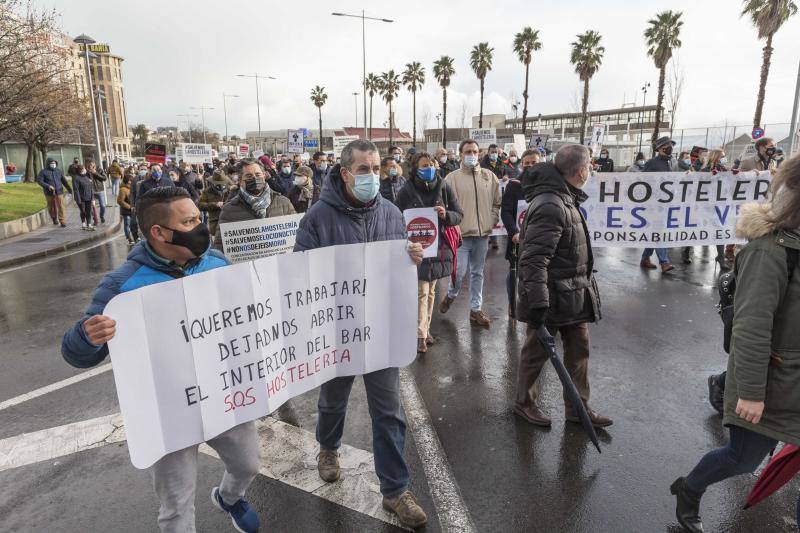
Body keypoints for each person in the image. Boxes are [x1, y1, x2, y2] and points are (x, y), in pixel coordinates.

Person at [61, 187, 261, 533]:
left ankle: (229, 497)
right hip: (166, 411)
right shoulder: (120, 286)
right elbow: (75, 354)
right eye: (189, 221)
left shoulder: (218, 263)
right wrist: (86, 336)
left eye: (199, 218)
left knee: (248, 464)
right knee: (177, 507)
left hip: (222, 395)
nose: (200, 226)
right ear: (159, 232)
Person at [294, 139, 427, 529]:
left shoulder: (390, 212)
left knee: (389, 411)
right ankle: (328, 448)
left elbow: (399, 263)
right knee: (333, 400)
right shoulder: (318, 217)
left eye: (377, 168)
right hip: (337, 331)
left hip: (380, 329)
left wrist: (411, 256)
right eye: (364, 169)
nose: (372, 175)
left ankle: (395, 490)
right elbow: (301, 271)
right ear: (345, 172)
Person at [671, 153, 800, 533]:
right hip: (775, 382)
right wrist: (749, 392)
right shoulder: (772, 250)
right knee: (741, 460)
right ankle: (690, 489)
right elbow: (752, 326)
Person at [514, 143, 611, 429]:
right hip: (552, 297)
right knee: (536, 353)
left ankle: (578, 406)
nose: (591, 169)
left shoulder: (565, 198)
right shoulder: (551, 204)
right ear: (581, 170)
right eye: (590, 165)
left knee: (579, 351)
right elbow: (533, 260)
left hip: (574, 294)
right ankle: (524, 402)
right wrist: (539, 303)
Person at [395, 151, 463, 354]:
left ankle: (425, 329)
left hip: (439, 246)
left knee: (431, 290)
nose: (429, 168)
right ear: (416, 169)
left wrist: (446, 214)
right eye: (424, 166)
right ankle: (420, 335)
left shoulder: (444, 187)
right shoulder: (406, 190)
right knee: (421, 291)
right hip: (417, 248)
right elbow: (398, 217)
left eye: (431, 164)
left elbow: (459, 214)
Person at [439, 139, 502, 327]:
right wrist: (453, 224)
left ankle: (476, 310)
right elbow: (445, 205)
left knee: (477, 273)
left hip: (482, 236)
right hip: (461, 237)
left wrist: (491, 220)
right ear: (460, 154)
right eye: (467, 152)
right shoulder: (452, 178)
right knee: (458, 274)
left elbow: (496, 203)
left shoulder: (489, 177)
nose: (472, 155)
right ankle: (451, 295)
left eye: (474, 151)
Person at [212, 158, 295, 250]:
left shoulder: (284, 203)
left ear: (264, 176)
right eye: (248, 176)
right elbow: (220, 246)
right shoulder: (229, 210)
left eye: (258, 174)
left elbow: (296, 236)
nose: (255, 179)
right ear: (240, 181)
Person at [502, 149, 540, 318]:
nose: (530, 166)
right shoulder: (514, 184)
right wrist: (513, 232)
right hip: (518, 237)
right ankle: (512, 303)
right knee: (514, 272)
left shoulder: (549, 184)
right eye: (527, 163)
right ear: (522, 164)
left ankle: (538, 306)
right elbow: (506, 212)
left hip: (541, 238)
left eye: (534, 163)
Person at [640, 137, 676, 273]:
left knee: (656, 232)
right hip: (654, 204)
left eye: (670, 144)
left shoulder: (672, 162)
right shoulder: (652, 163)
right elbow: (643, 181)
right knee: (658, 231)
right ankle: (664, 262)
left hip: (667, 203)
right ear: (659, 148)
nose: (669, 147)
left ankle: (645, 258)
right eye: (666, 145)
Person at [35, 157, 72, 227]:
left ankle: (62, 220)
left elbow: (64, 181)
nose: (53, 164)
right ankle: (54, 218)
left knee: (61, 206)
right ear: (48, 164)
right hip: (49, 192)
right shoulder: (43, 172)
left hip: (59, 191)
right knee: (51, 207)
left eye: (54, 163)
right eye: (52, 163)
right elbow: (39, 181)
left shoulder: (58, 171)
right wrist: (48, 186)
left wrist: (69, 189)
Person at [198, 169, 233, 237]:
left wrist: (226, 204)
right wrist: (215, 204)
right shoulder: (207, 191)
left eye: (222, 183)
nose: (220, 185)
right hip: (215, 225)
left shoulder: (231, 190)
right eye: (217, 183)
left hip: (230, 224)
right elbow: (200, 205)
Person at [72, 165, 95, 231]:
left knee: (89, 211)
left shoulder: (87, 177)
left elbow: (91, 189)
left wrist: (92, 198)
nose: (85, 170)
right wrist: (78, 200)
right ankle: (83, 223)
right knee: (83, 211)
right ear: (80, 170)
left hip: (89, 197)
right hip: (81, 199)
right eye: (84, 169)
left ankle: (89, 224)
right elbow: (76, 190)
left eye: (84, 169)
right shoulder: (76, 178)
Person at [117, 174, 135, 243]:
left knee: (133, 224)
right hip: (126, 210)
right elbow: (120, 201)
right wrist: (129, 207)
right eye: (131, 180)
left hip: (133, 210)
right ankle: (128, 238)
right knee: (127, 224)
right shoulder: (123, 189)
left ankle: (134, 236)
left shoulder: (133, 188)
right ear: (128, 181)